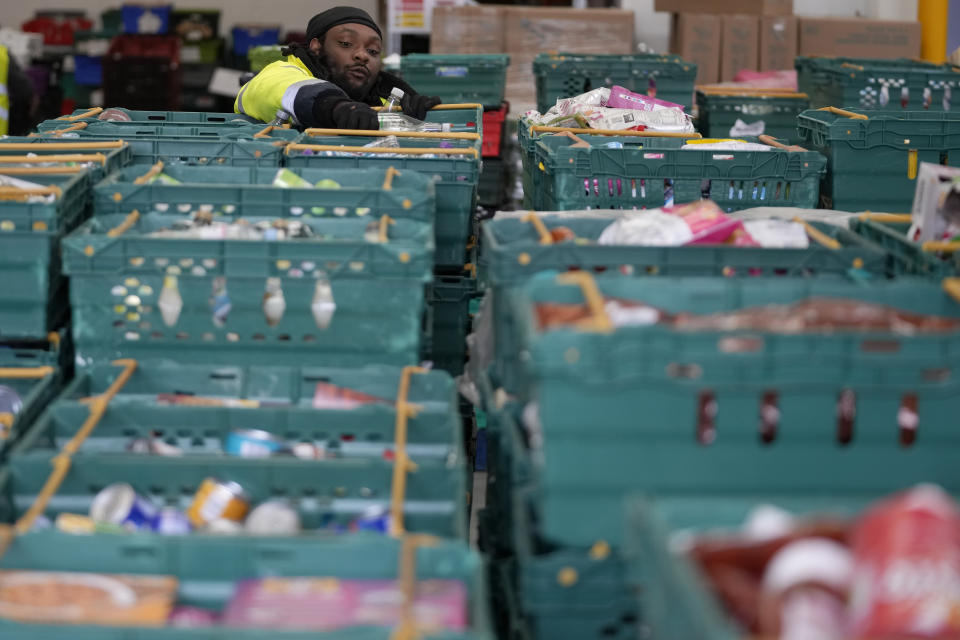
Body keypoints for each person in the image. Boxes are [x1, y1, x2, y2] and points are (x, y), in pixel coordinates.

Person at [235, 6, 441, 130]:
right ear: (316, 46)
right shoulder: (281, 73)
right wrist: (334, 107)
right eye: (345, 43)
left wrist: (414, 120)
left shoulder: (383, 98)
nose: (362, 55)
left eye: (373, 51)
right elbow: (290, 91)